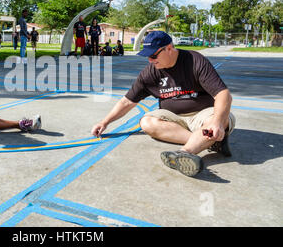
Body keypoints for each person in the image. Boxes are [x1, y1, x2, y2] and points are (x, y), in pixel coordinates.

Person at [91, 31, 235, 177]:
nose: (150, 60)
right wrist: (105, 122)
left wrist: (216, 122)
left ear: (169, 48)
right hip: (174, 119)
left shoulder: (195, 61)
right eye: (147, 56)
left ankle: (185, 152)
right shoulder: (150, 72)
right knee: (146, 122)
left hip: (202, 114)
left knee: (218, 119)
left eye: (153, 55)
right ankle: (209, 140)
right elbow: (127, 101)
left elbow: (223, 95)